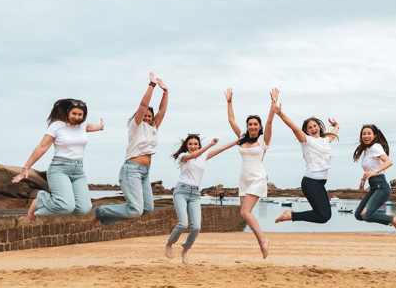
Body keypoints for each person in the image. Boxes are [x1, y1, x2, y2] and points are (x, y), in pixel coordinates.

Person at [92, 73, 168, 226]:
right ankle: (101, 211)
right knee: (135, 210)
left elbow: (162, 110)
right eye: (145, 115)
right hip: (131, 170)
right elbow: (142, 106)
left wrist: (166, 92)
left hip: (145, 171)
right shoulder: (135, 126)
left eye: (149, 116)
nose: (147, 117)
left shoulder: (153, 128)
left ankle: (110, 210)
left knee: (147, 208)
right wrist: (152, 86)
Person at [12, 99, 104, 223]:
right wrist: (26, 167)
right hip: (59, 169)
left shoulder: (82, 125)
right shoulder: (57, 126)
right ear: (68, 112)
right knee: (66, 206)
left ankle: (49, 204)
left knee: (84, 209)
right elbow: (42, 147)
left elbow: (91, 126)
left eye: (80, 115)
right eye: (74, 114)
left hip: (78, 171)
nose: (77, 117)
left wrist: (100, 127)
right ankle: (40, 200)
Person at [165, 134, 238, 264]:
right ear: (186, 146)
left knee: (197, 227)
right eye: (190, 144)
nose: (193, 146)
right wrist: (210, 144)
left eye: (195, 144)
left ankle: (185, 250)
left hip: (195, 194)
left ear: (199, 145)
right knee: (183, 224)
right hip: (181, 191)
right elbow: (192, 156)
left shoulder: (203, 156)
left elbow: (222, 148)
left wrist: (239, 140)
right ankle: (169, 244)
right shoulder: (183, 156)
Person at [225, 87, 276, 258]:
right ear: (247, 126)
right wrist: (229, 101)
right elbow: (231, 120)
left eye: (255, 124)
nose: (252, 126)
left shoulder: (263, 140)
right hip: (244, 179)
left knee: (244, 212)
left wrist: (273, 105)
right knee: (246, 213)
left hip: (257, 178)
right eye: (250, 124)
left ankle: (263, 240)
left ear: (259, 126)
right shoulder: (242, 138)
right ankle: (261, 240)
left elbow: (269, 123)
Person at [271, 101, 339, 225]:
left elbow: (333, 134)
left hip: (319, 183)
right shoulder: (306, 141)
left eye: (315, 126)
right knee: (322, 216)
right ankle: (290, 215)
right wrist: (280, 114)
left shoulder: (324, 141)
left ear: (319, 127)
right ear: (306, 131)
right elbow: (294, 127)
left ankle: (291, 215)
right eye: (309, 127)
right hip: (311, 182)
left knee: (327, 216)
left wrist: (337, 126)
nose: (313, 129)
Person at [352, 125, 396, 232]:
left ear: (375, 135)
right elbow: (370, 169)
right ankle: (390, 218)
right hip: (374, 186)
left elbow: (388, 162)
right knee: (358, 215)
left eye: (369, 133)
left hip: (381, 186)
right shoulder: (367, 150)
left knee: (367, 215)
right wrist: (363, 179)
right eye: (364, 134)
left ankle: (394, 219)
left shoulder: (375, 147)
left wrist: (375, 171)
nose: (366, 136)